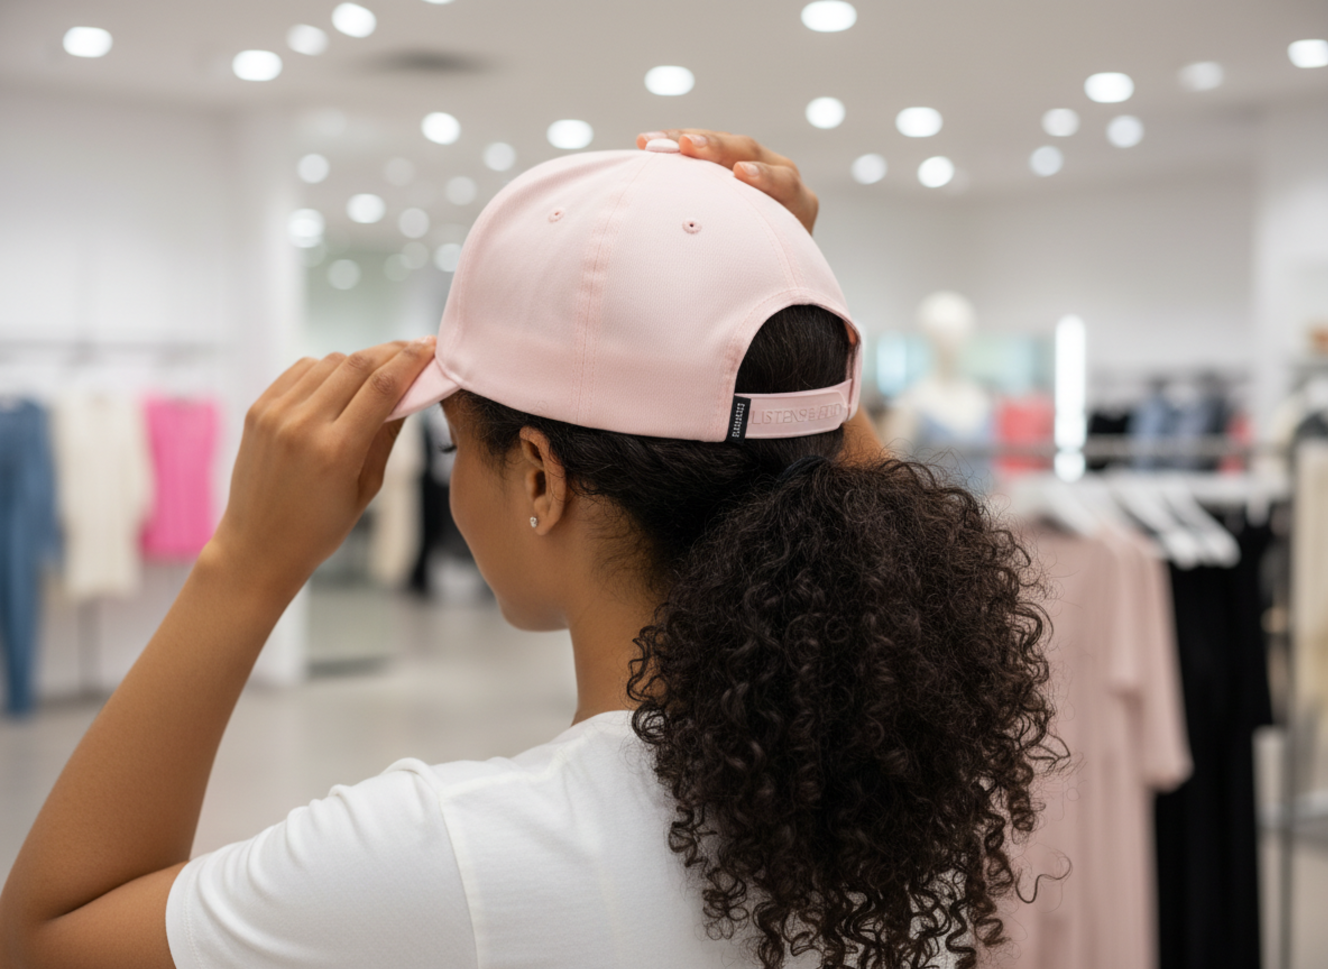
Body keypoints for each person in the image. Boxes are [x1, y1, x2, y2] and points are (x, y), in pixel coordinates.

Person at [0, 130, 1061, 969]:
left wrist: (244, 564)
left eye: (452, 443)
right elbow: (810, 444)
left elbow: (46, 937)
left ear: (540, 477)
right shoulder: (902, 768)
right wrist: (785, 308)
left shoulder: (450, 857)